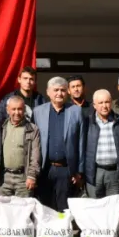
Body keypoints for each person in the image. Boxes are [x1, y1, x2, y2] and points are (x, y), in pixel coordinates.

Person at [34, 77, 84, 210]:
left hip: (66, 169)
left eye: (62, 90)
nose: (59, 93)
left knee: (63, 208)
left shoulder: (76, 111)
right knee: (45, 208)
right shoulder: (38, 112)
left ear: (67, 92)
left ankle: (63, 231)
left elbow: (81, 142)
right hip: (45, 169)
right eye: (56, 90)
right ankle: (47, 232)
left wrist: (78, 171)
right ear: (48, 92)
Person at [82, 89, 119, 199]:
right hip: (94, 172)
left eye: (107, 102)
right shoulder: (87, 122)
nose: (104, 106)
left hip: (115, 172)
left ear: (111, 102)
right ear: (94, 105)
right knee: (95, 208)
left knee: (113, 208)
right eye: (100, 103)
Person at [0, 96, 40, 197]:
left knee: (23, 211)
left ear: (24, 110)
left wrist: (32, 176)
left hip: (23, 178)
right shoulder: (1, 127)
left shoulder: (32, 129)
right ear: (8, 110)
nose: (17, 112)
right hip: (4, 178)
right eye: (14, 109)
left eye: (20, 109)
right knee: (3, 211)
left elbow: (35, 156)